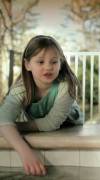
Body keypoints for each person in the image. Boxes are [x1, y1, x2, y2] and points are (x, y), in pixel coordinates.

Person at [0, 35, 84, 176]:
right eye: (40, 62)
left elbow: (51, 124)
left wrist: (16, 126)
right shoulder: (21, 89)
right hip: (38, 123)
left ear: (61, 63)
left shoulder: (67, 86)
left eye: (54, 62)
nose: (48, 67)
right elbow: (2, 120)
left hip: (68, 125)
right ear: (27, 65)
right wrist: (25, 152)